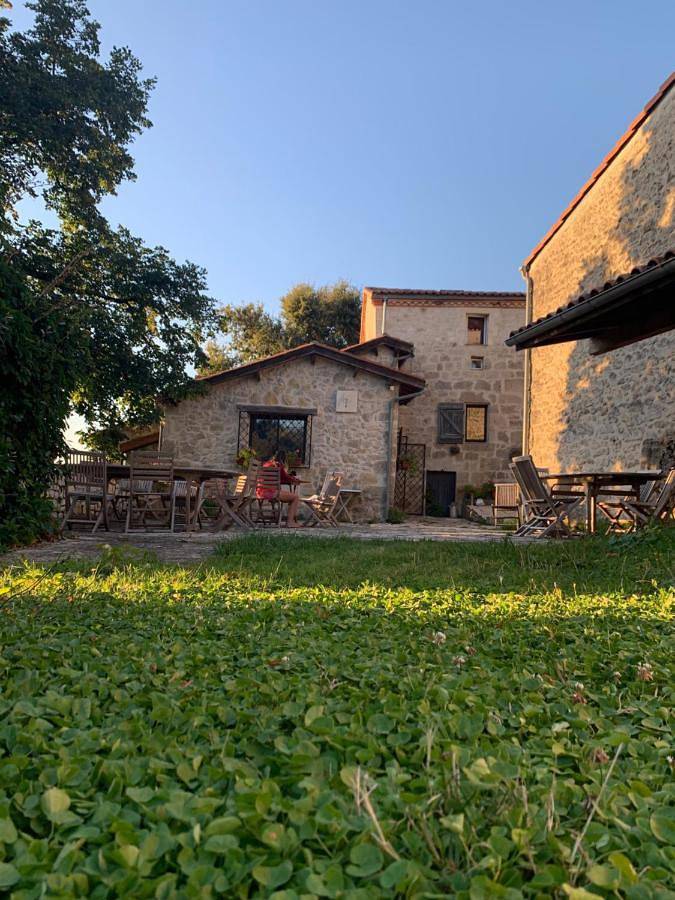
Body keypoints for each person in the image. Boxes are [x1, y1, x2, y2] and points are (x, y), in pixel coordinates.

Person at [257, 451, 301, 527]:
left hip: (260, 492)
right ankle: (290, 522)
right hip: (272, 493)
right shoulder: (277, 465)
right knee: (295, 497)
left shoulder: (266, 464)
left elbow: (280, 478)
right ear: (283, 459)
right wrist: (294, 479)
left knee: (290, 497)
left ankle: (285, 519)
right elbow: (286, 477)